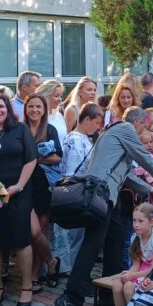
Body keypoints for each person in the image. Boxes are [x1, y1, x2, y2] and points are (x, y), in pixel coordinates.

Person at [55, 106, 153, 306]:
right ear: (139, 122)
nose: (142, 132)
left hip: (108, 196)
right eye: (143, 126)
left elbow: (127, 176)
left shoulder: (114, 134)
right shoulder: (125, 129)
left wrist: (152, 189)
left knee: (116, 237)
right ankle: (71, 298)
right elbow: (143, 156)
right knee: (92, 244)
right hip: (101, 194)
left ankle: (107, 298)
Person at [0, 91, 38, 306]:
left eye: (1, 106)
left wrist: (18, 186)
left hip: (18, 191)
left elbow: (31, 159)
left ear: (8, 109)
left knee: (21, 238)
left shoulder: (20, 129)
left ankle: (26, 287)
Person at [52, 102, 104, 276]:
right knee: (74, 235)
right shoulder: (75, 139)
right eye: (96, 123)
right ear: (87, 119)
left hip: (78, 191)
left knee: (77, 235)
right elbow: (72, 171)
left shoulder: (84, 138)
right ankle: (71, 269)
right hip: (75, 192)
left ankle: (73, 269)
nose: (98, 127)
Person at [23, 93, 63, 290]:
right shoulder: (20, 129)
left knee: (42, 229)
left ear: (44, 110)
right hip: (24, 183)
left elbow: (58, 157)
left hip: (44, 184)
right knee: (33, 232)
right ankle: (51, 261)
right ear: (25, 108)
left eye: (38, 107)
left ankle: (35, 275)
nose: (34, 110)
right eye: (31, 106)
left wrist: (35, 159)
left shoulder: (49, 129)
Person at [109, 202, 153, 306]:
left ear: (151, 222)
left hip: (152, 274)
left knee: (128, 287)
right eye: (134, 220)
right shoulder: (135, 237)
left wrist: (132, 276)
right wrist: (129, 273)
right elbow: (136, 264)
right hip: (140, 271)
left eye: (140, 221)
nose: (136, 224)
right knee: (117, 284)